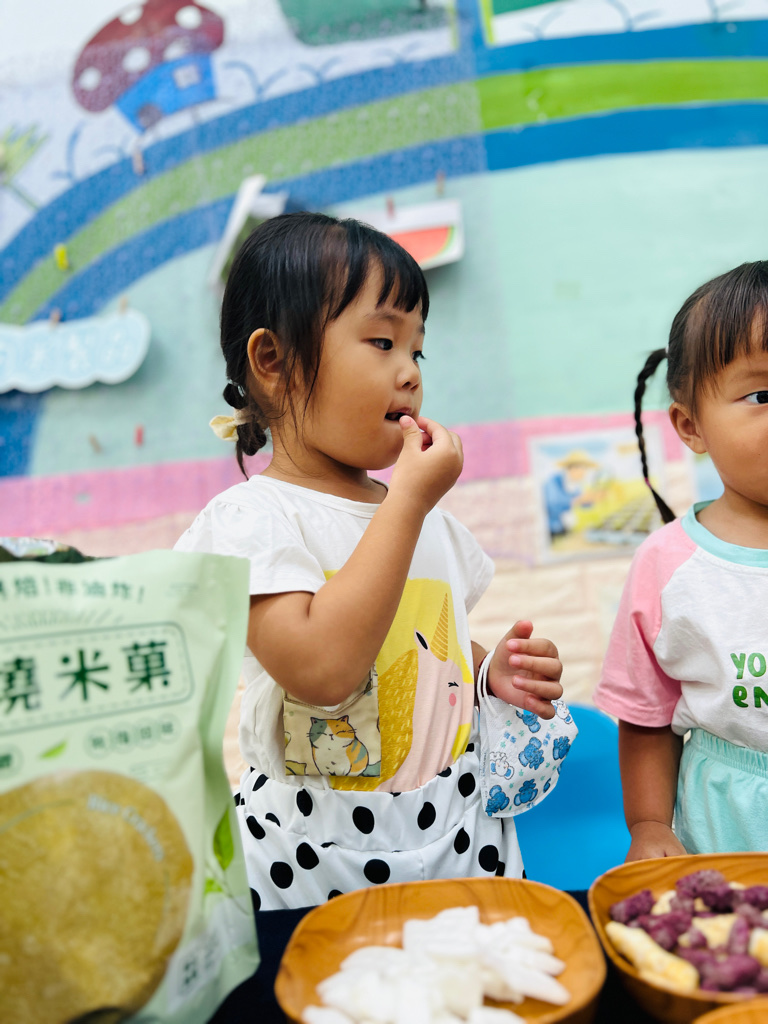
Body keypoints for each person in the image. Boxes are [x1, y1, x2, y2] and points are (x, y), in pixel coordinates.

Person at [175, 212, 566, 909]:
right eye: (383, 342)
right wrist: (408, 502)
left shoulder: (423, 516)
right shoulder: (252, 522)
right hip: (311, 858)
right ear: (273, 362)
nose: (409, 373)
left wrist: (490, 672)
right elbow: (323, 671)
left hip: (455, 836)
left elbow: (428, 642)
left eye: (418, 351)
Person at [594, 260, 768, 860]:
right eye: (763, 394)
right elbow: (647, 715)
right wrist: (649, 826)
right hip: (728, 826)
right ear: (691, 425)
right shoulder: (669, 564)